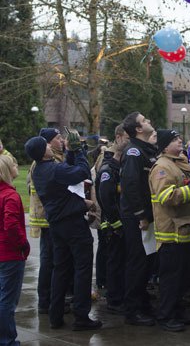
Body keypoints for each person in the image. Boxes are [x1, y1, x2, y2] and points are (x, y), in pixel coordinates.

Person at [25, 133, 102, 332]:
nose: (51, 146)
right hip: (73, 225)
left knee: (60, 269)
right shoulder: (53, 169)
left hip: (57, 226)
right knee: (82, 268)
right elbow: (82, 172)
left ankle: (55, 315)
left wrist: (69, 153)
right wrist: (77, 150)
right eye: (47, 145)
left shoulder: (40, 170)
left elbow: (66, 172)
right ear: (43, 152)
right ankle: (81, 316)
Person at [149, 129, 190, 332]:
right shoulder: (162, 167)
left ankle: (178, 312)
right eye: (174, 139)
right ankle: (166, 316)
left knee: (182, 279)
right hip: (171, 234)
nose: (180, 141)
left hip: (185, 231)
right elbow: (166, 197)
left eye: (179, 138)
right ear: (164, 146)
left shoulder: (179, 163)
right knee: (171, 279)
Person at [120, 111, 157, 326]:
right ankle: (132, 311)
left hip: (148, 215)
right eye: (144, 120)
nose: (148, 120)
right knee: (137, 263)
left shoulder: (146, 149)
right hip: (137, 218)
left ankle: (143, 303)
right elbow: (130, 186)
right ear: (138, 130)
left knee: (147, 262)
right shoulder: (134, 152)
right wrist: (141, 215)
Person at [27, 128, 65, 314]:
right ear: (48, 143)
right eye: (58, 138)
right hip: (47, 217)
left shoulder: (55, 158)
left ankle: (50, 298)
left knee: (51, 258)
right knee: (49, 259)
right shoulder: (46, 163)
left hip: (48, 215)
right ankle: (46, 300)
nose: (61, 141)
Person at [95, 124, 129, 314]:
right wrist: (117, 224)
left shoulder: (118, 168)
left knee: (122, 261)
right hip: (114, 226)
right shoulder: (109, 169)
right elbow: (106, 199)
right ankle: (114, 300)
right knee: (115, 262)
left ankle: (120, 295)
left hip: (120, 223)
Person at [0, 155, 30, 346]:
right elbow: (11, 224)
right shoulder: (10, 196)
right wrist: (23, 244)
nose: (17, 165)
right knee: (7, 301)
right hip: (10, 255)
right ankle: (7, 340)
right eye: (14, 164)